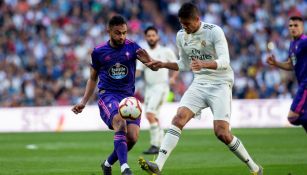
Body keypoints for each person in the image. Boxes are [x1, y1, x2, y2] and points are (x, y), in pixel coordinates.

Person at [138, 3, 263, 175]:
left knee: (222, 133)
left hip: (220, 83)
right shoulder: (181, 35)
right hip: (199, 83)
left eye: (187, 24)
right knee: (178, 118)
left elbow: (225, 62)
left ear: (197, 19)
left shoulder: (214, 31)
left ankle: (255, 168)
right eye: (182, 23)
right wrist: (162, 64)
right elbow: (184, 63)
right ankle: (157, 165)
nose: (184, 27)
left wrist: (203, 63)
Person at [71, 15, 155, 175]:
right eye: (118, 33)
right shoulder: (98, 52)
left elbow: (152, 66)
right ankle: (125, 168)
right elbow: (92, 78)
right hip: (108, 95)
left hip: (129, 98)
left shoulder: (133, 47)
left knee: (132, 138)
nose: (122, 36)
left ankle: (107, 164)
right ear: (108, 31)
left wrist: (153, 64)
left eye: (124, 33)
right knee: (120, 123)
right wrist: (83, 101)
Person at [136, 26, 179, 154]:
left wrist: (173, 78)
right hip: (149, 88)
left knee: (150, 114)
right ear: (145, 37)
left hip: (161, 86)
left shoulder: (166, 51)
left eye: (153, 35)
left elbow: (177, 65)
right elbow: (138, 71)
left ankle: (155, 145)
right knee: (152, 116)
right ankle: (161, 143)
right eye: (148, 36)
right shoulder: (144, 54)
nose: (151, 38)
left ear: (158, 37)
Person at [266, 14, 307, 132]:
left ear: (302, 27)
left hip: (305, 85)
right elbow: (290, 65)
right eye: (290, 25)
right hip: (302, 84)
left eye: (296, 25)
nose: (293, 28)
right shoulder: (292, 44)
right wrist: (276, 63)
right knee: (302, 117)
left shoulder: (304, 42)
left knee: (292, 117)